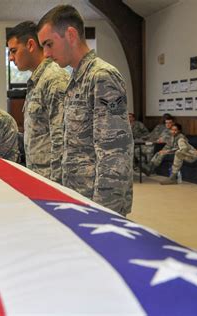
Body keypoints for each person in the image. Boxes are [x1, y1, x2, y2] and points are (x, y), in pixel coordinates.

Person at [37, 5, 133, 216]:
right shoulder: (75, 80)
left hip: (96, 203)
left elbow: (115, 152)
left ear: (70, 34)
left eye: (49, 44)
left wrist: (105, 213)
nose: (46, 53)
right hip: (76, 197)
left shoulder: (101, 77)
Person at [7, 21, 69, 183]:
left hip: (51, 178)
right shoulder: (38, 80)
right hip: (38, 174)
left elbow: (61, 137)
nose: (11, 58)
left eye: (14, 51)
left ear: (30, 45)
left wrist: (56, 185)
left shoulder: (54, 78)